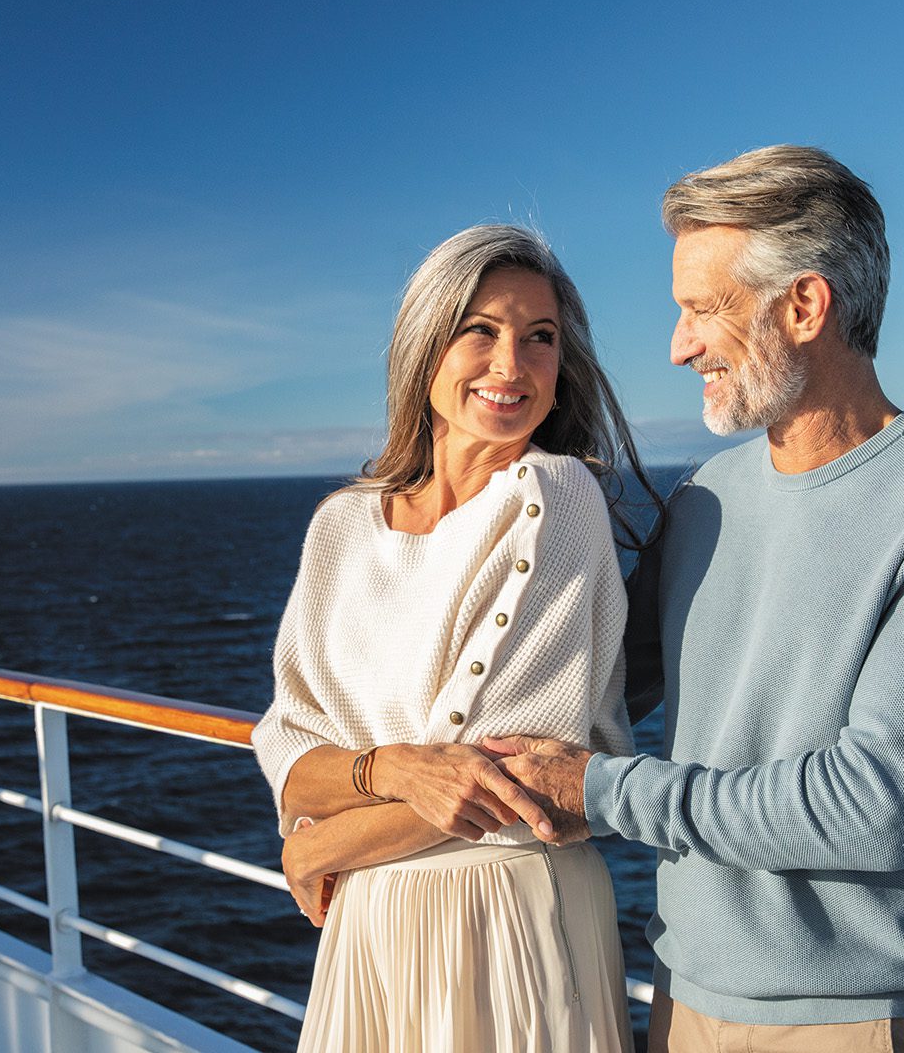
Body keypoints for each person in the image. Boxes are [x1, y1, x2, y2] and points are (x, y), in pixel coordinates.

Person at [487, 146, 904, 1052]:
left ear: (807, 305)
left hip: (853, 1020)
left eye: (704, 309)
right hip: (681, 989)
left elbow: (875, 811)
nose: (678, 345)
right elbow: (579, 688)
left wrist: (598, 790)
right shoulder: (707, 496)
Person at [251, 223, 658, 1052]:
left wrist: (319, 845)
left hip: (503, 909)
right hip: (369, 924)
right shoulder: (342, 527)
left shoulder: (553, 494)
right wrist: (390, 769)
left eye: (540, 338)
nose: (512, 367)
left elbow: (502, 773)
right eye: (482, 330)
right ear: (424, 346)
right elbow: (289, 750)